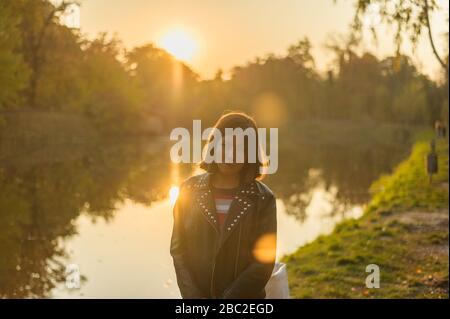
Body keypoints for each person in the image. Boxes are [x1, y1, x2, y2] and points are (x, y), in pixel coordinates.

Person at [170, 112, 277, 299]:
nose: (229, 155)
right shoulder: (188, 190)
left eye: (239, 149)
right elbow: (178, 251)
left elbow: (263, 262)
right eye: (225, 145)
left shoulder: (264, 199)